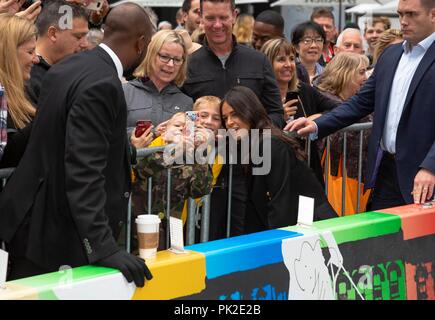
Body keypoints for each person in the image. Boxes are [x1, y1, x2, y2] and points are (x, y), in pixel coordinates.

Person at [0, 3, 154, 285]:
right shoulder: (102, 83)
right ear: (141, 42)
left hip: (31, 224)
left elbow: (64, 138)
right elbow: (84, 169)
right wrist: (103, 245)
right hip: (55, 239)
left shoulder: (70, 65)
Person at [286, 0, 435, 209]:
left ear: (433, 15)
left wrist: (430, 167)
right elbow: (360, 103)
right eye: (400, 14)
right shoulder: (391, 56)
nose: (403, 21)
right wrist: (319, 125)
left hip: (426, 177)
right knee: (385, 239)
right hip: (387, 172)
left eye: (411, 14)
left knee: (424, 241)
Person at [220, 86, 337, 234]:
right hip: (297, 228)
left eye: (235, 114)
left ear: (250, 111)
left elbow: (282, 203)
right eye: (225, 118)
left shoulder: (270, 144)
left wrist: (274, 247)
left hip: (311, 228)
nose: (229, 122)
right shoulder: (249, 144)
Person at [182, 0, 285, 128]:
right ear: (201, 18)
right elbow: (183, 113)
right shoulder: (188, 64)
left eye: (223, 17)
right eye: (210, 18)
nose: (217, 25)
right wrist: (198, 132)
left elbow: (276, 113)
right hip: (206, 145)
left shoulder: (258, 61)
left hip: (253, 146)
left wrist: (254, 134)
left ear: (234, 16)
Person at [261, 38, 338, 185]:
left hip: (306, 166)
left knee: (308, 207)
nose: (288, 65)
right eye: (280, 59)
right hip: (274, 170)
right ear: (267, 63)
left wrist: (313, 119)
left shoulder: (303, 90)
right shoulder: (259, 94)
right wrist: (278, 116)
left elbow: (337, 108)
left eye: (291, 59)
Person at [131, 112, 213, 249]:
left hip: (171, 231)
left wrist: (200, 153)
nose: (182, 129)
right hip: (139, 228)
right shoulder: (149, 149)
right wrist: (175, 149)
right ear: (163, 131)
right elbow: (141, 169)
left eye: (188, 128)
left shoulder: (189, 160)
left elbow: (200, 189)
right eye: (177, 125)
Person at [315, 53, 371, 214]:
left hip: (358, 179)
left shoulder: (362, 103)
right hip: (334, 178)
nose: (366, 77)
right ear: (344, 73)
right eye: (361, 72)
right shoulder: (324, 103)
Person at [124, 29, 193, 143]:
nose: (171, 64)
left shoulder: (186, 102)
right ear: (150, 54)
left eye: (177, 59)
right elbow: (108, 132)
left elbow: (191, 144)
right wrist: (132, 137)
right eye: (164, 57)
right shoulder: (125, 93)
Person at [27, 0, 89, 105]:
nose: (85, 44)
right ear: (53, 34)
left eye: (85, 37)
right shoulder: (28, 76)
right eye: (78, 37)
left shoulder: (64, 72)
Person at [0, 14, 38, 168]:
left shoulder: (22, 91)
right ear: (9, 53)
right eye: (30, 52)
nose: (36, 59)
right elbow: (5, 156)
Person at [291, 21, 326, 85]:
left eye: (318, 40)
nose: (314, 45)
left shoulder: (327, 75)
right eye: (307, 41)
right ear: (296, 47)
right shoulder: (290, 72)